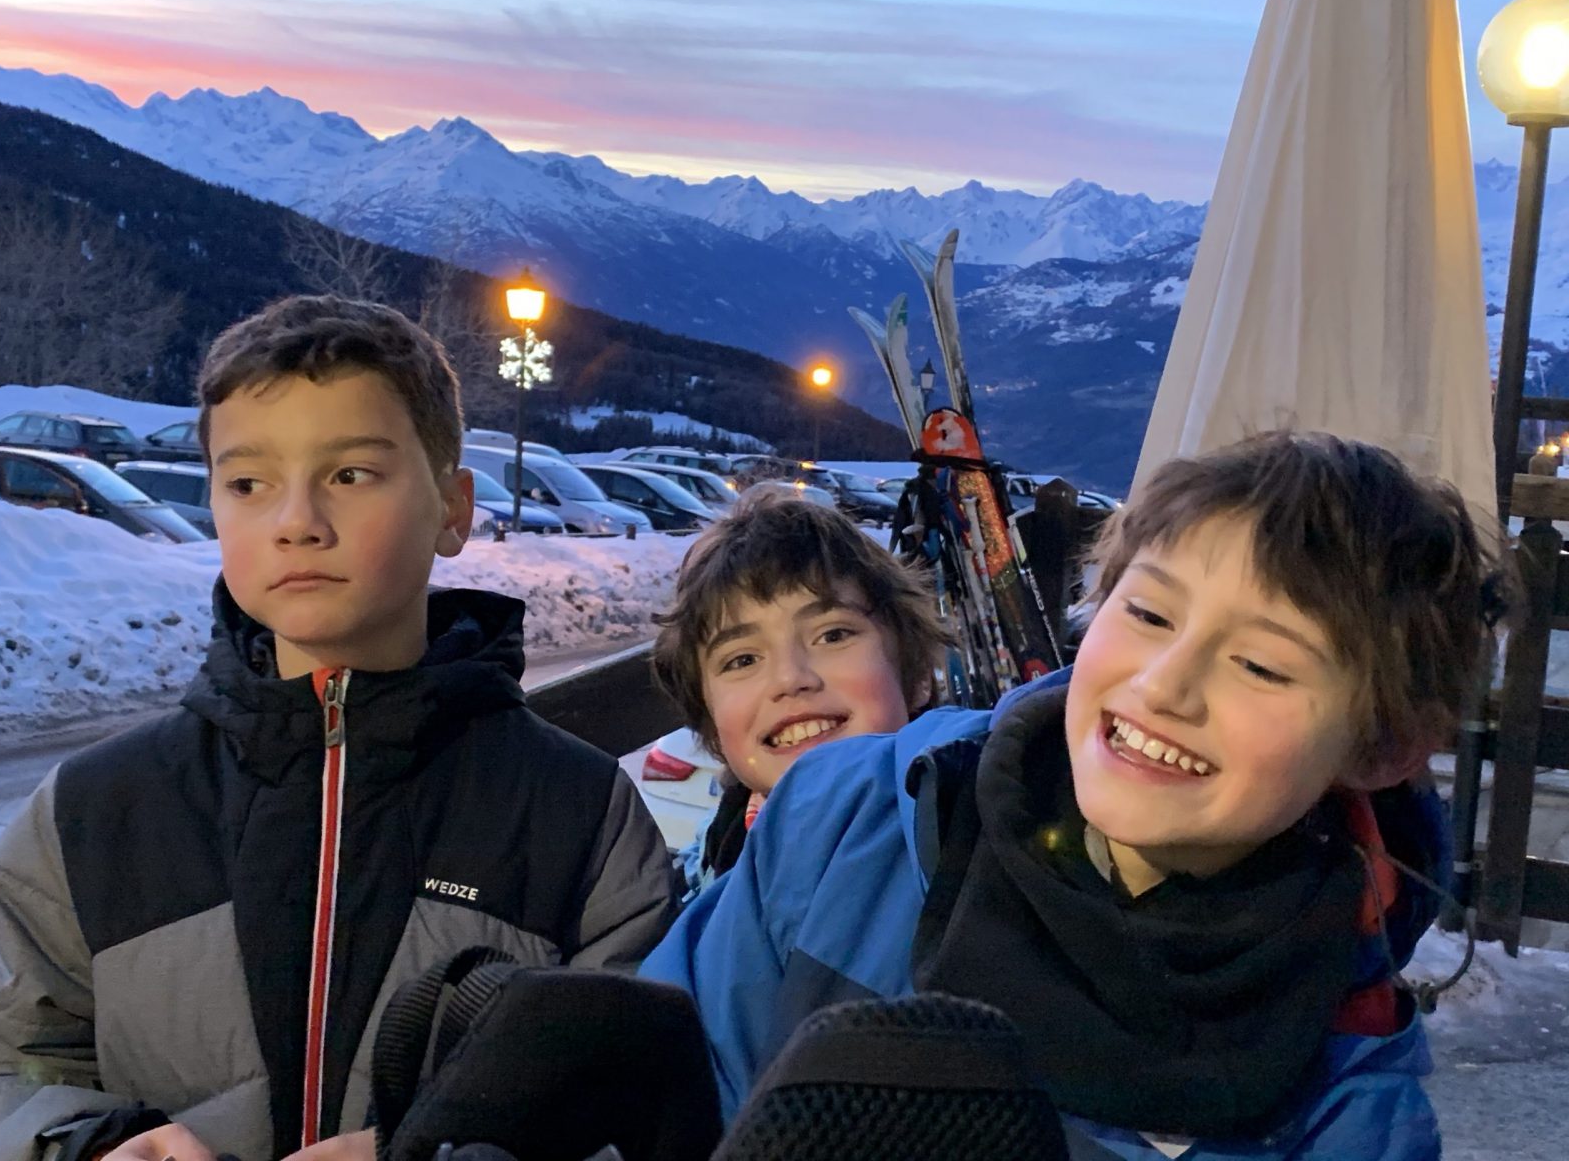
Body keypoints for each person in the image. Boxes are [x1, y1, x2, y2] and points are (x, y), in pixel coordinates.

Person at [640, 430, 1498, 1160]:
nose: (1165, 687)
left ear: (1379, 745)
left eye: (1262, 665)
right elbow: (661, 1092)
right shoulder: (848, 820)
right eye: (1150, 616)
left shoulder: (1343, 1098)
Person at [0, 296, 679, 1161]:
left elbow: (642, 1094)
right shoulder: (95, 811)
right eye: (248, 483)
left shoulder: (576, 814)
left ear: (453, 509)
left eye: (350, 473)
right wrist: (87, 1144)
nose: (295, 519)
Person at [649, 486, 952, 895]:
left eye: (833, 635)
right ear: (712, 722)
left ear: (915, 676)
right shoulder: (712, 871)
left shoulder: (969, 849)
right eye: (742, 660)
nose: (790, 678)